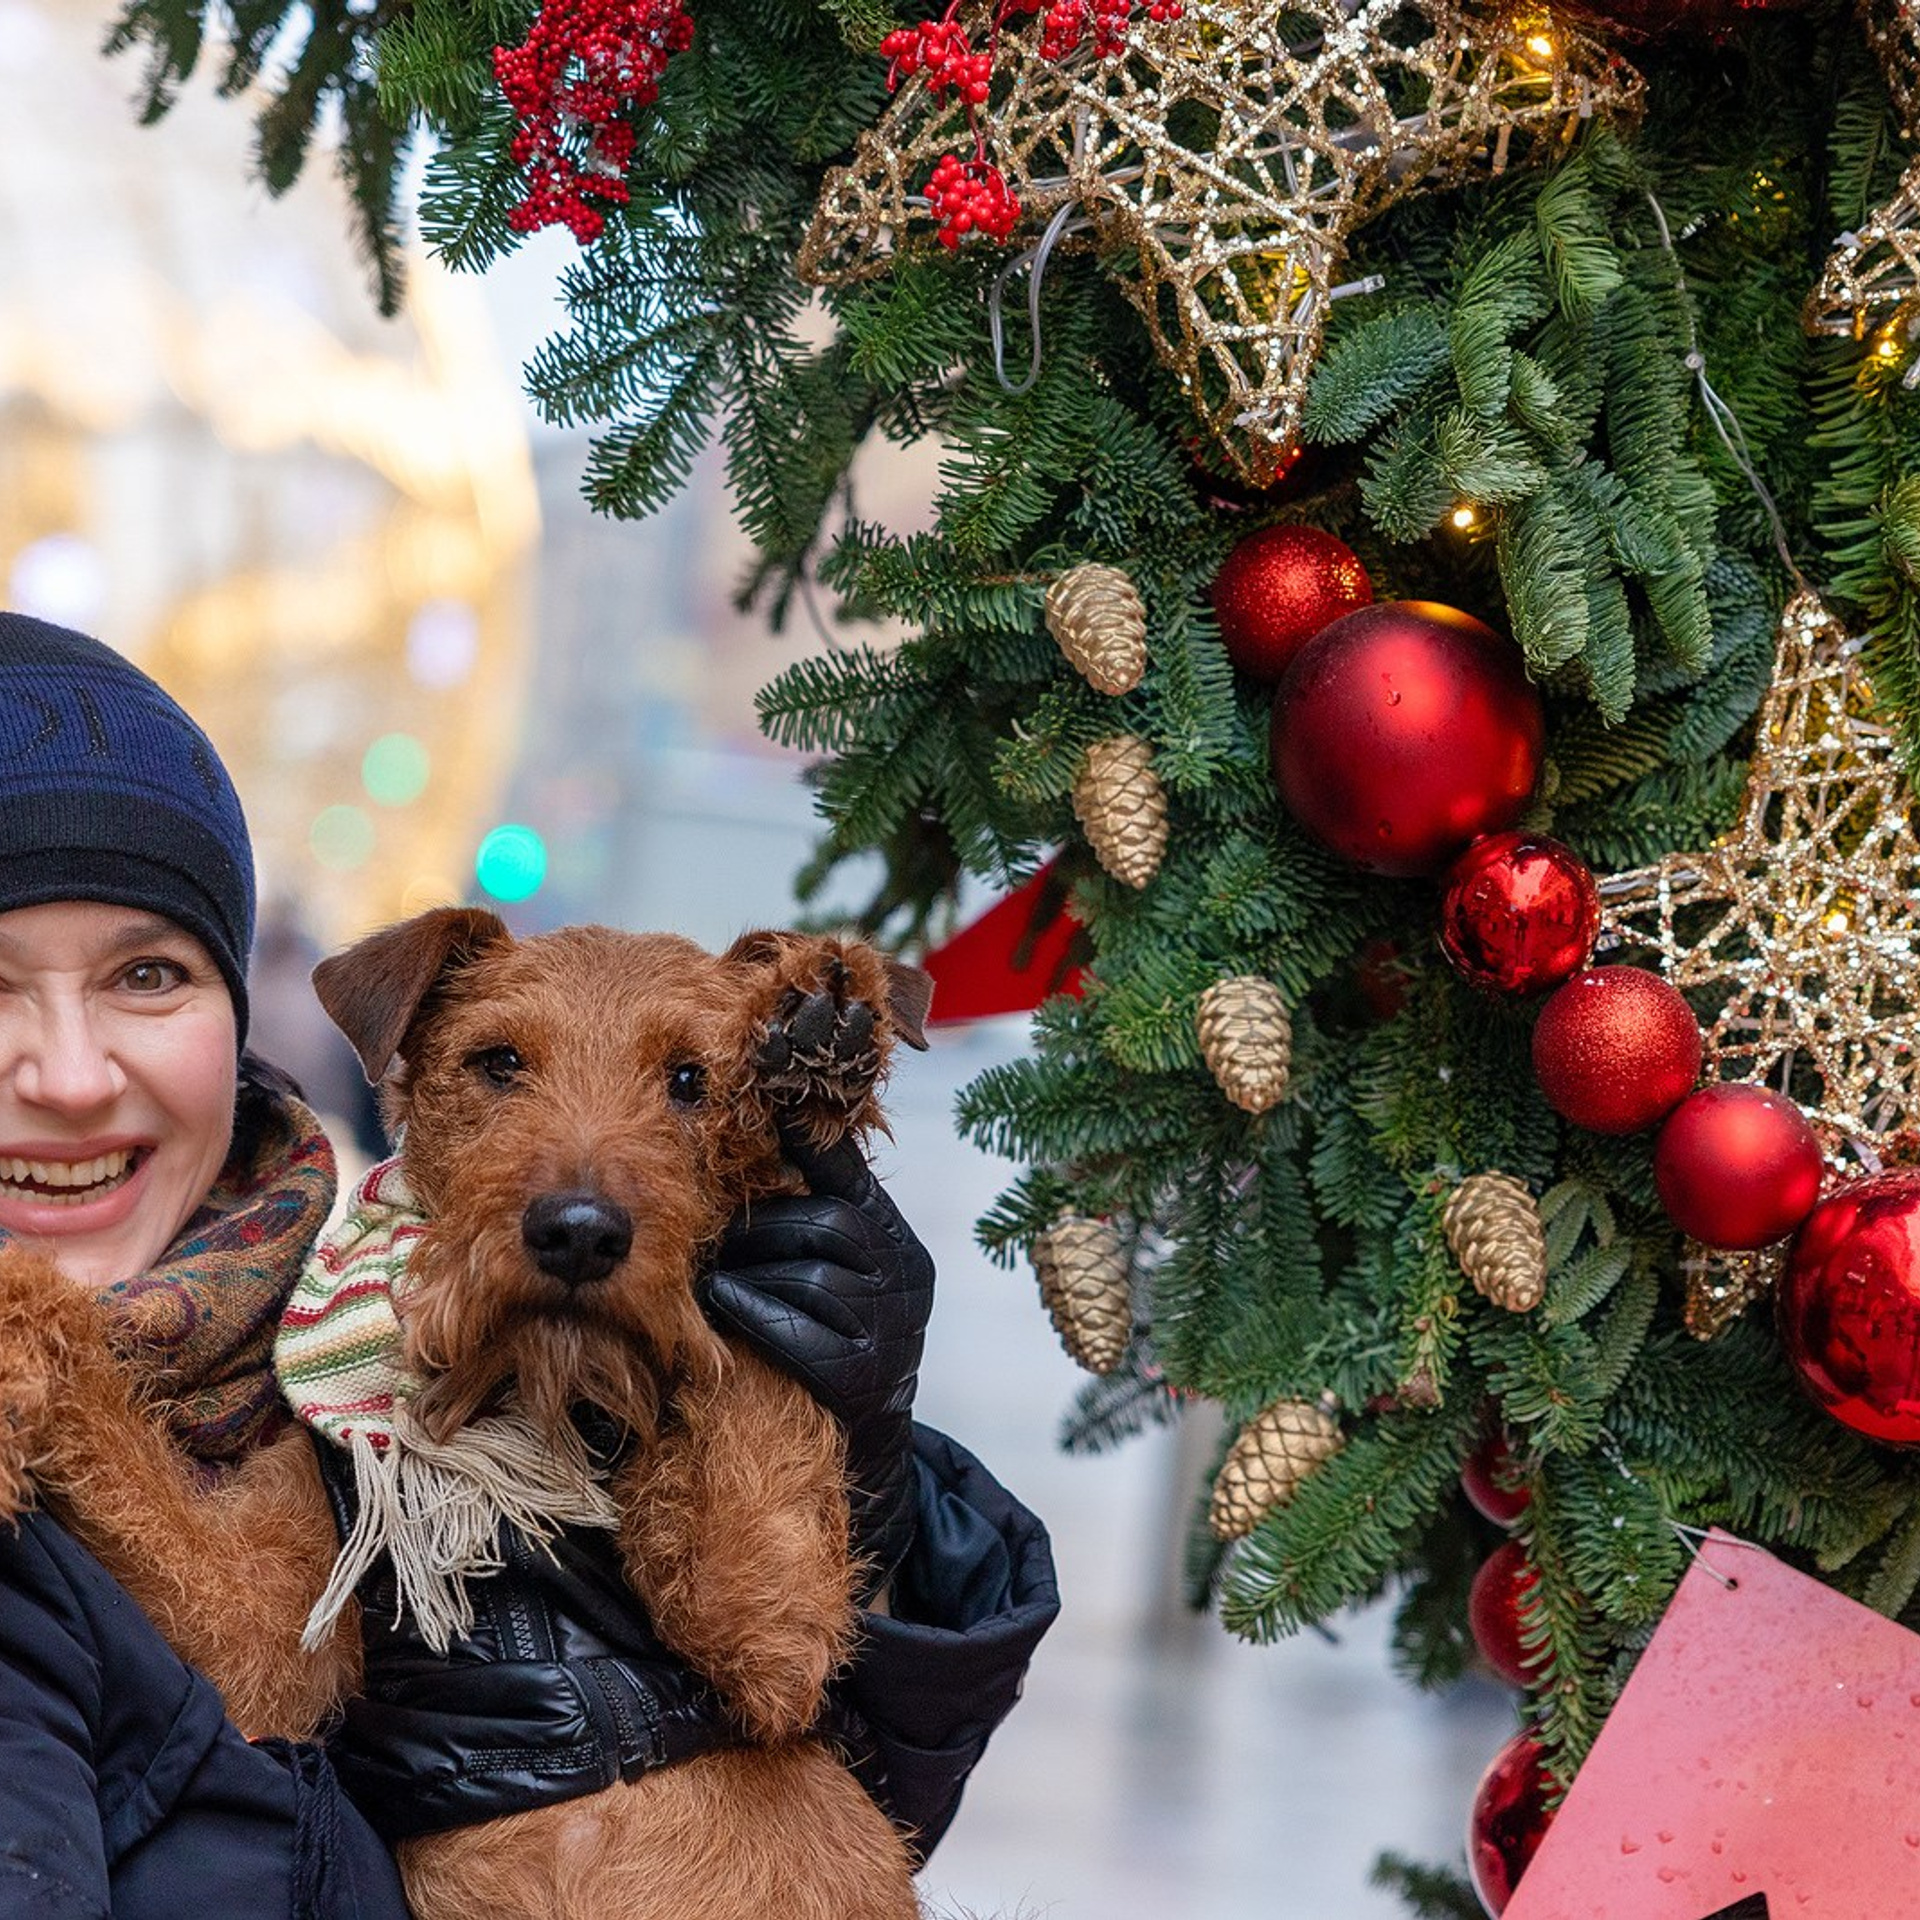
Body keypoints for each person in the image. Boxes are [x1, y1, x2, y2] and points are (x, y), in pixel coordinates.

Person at [0, 613, 1059, 1916]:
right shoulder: (329, 1403)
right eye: (500, 1066)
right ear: (406, 1063)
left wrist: (857, 1458)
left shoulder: (305, 1343)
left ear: (228, 1011)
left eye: (147, 973)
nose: (64, 1072)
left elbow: (774, 1666)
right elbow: (259, 1666)